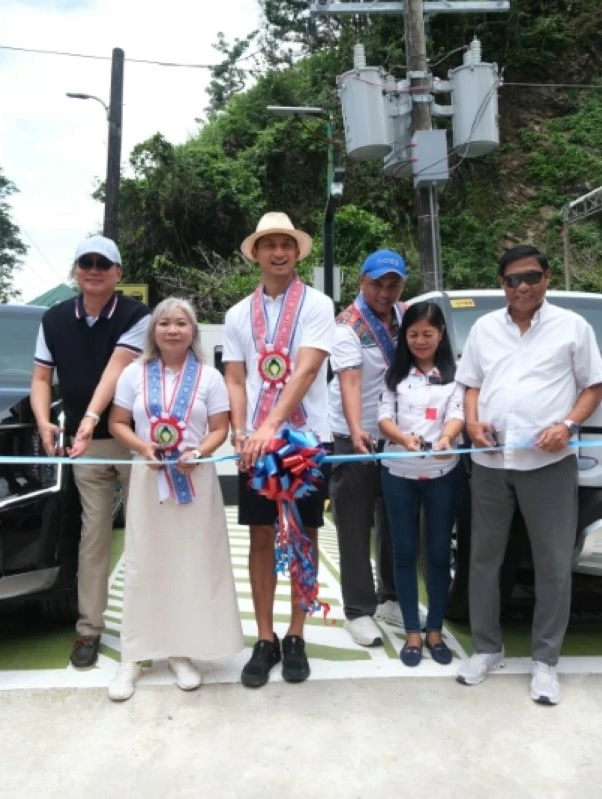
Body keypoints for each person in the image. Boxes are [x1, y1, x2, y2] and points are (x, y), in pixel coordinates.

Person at [454, 244, 602, 705]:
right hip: (489, 462)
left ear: (547, 278)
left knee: (553, 563)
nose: (522, 287)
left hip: (549, 463)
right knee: (483, 558)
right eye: (512, 280)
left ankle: (545, 662)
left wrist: (568, 425)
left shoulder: (572, 327)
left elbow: (594, 386)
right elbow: (471, 385)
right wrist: (473, 422)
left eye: (531, 278)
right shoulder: (484, 328)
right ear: (501, 284)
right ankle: (487, 648)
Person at [105, 298, 244, 701]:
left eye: (181, 323)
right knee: (144, 561)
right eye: (163, 322)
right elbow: (117, 422)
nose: (172, 329)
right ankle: (134, 655)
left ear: (193, 331)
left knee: (190, 562)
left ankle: (181, 652)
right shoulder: (133, 374)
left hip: (194, 480)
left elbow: (220, 428)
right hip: (149, 479)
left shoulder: (209, 377)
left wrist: (199, 451)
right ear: (153, 331)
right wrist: (142, 447)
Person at [223, 212, 336, 688]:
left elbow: (308, 370)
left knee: (305, 532)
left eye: (286, 244)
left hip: (304, 438)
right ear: (255, 254)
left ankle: (296, 634)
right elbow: (234, 377)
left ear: (297, 251)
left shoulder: (317, 304)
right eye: (268, 244)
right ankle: (265, 637)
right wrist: (239, 428)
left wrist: (269, 426)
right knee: (262, 536)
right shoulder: (235, 314)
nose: (278, 252)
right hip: (256, 441)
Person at [30, 235, 150, 671]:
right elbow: (42, 378)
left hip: (138, 441)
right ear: (76, 270)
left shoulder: (139, 316)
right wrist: (45, 421)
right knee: (93, 538)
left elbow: (116, 370)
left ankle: (149, 629)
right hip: (89, 447)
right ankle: (89, 630)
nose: (94, 269)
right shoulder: (54, 318)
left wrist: (89, 418)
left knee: (145, 535)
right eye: (86, 262)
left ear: (119, 273)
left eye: (104, 263)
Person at [377, 302, 465, 667]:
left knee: (438, 553)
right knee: (403, 552)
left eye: (428, 334)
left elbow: (458, 414)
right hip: (398, 473)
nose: (420, 341)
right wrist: (402, 439)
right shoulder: (393, 377)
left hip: (443, 473)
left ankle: (434, 630)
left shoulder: (454, 377)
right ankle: (412, 631)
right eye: (413, 334)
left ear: (441, 334)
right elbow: (383, 419)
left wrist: (446, 438)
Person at [327, 249, 407, 645]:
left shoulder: (408, 317)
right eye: (377, 283)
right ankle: (358, 610)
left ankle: (390, 596)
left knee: (395, 518)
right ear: (362, 282)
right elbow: (351, 381)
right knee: (355, 524)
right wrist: (358, 430)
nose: (385, 292)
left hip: (398, 436)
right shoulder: (346, 326)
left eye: (393, 284)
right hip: (352, 435)